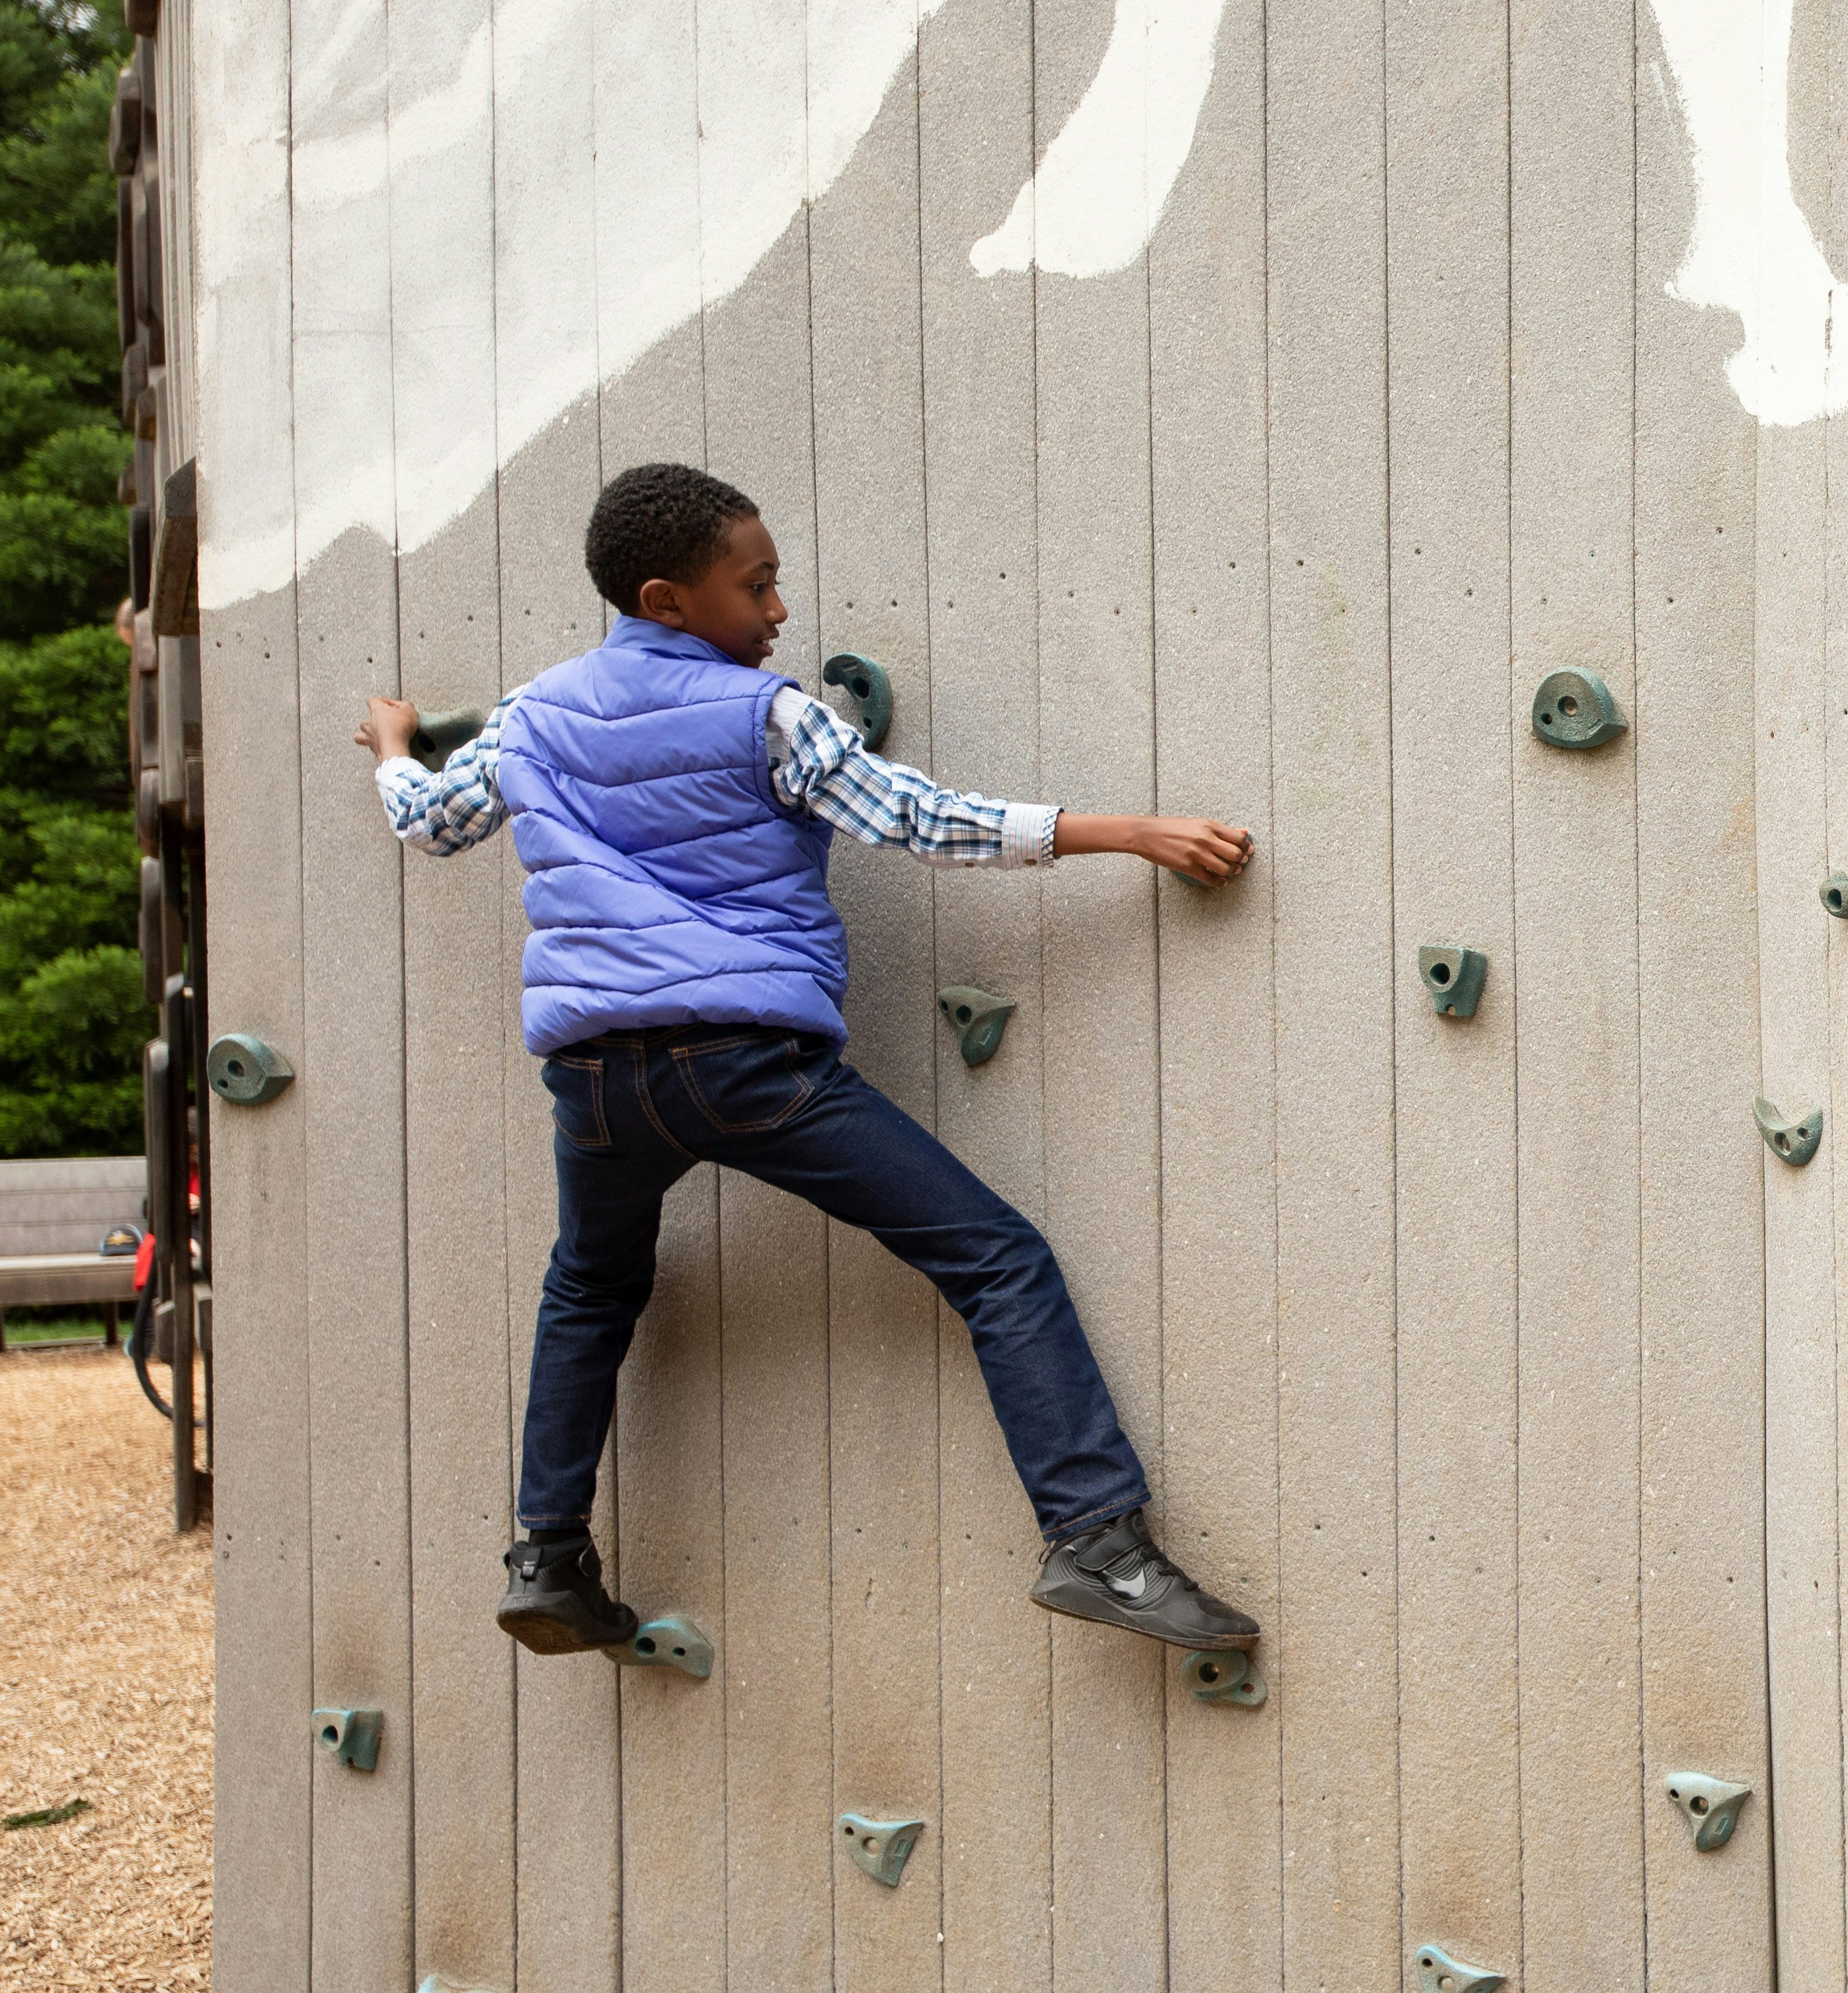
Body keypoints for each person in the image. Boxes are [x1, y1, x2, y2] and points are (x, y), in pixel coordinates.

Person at [360, 461, 1263, 1664]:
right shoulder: (767, 715)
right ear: (668, 597)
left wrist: (389, 748)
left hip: (595, 1089)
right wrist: (1127, 831)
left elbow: (431, 823)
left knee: (590, 1289)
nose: (781, 611)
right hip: (745, 1069)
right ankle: (1096, 1541)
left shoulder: (530, 716)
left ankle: (550, 1558)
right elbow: (922, 821)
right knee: (995, 1258)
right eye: (759, 585)